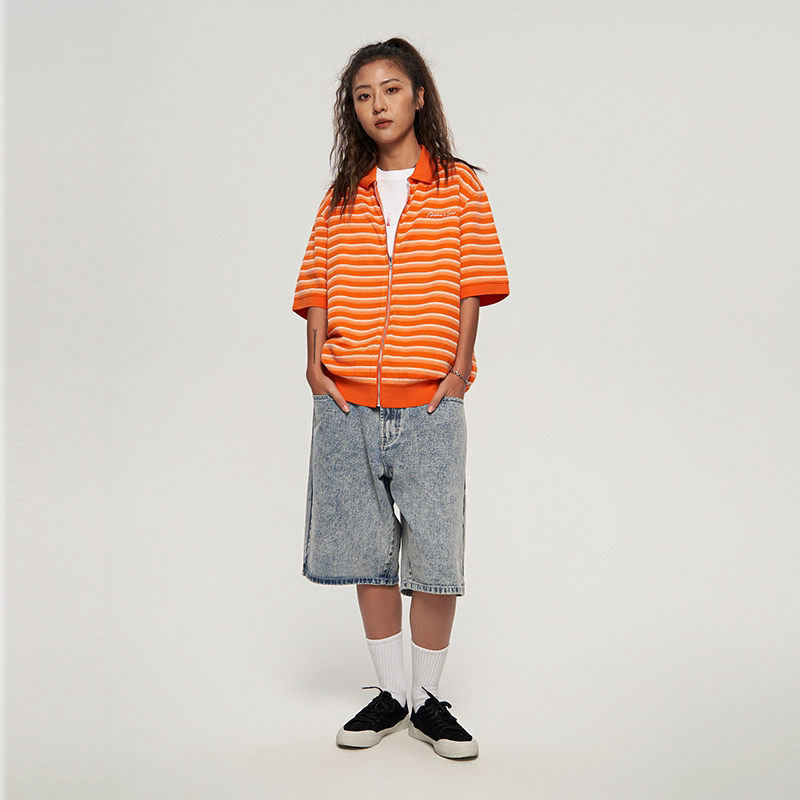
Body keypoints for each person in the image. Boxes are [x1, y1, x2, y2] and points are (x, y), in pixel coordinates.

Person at [292, 38, 509, 760]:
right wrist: (315, 367)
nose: (377, 104)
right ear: (351, 109)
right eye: (363, 95)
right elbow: (316, 284)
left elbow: (475, 282)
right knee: (368, 553)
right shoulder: (342, 195)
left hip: (429, 407)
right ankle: (390, 694)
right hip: (347, 406)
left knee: (436, 554)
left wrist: (458, 373)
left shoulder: (459, 187)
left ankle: (428, 702)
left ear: (418, 96)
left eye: (390, 89)